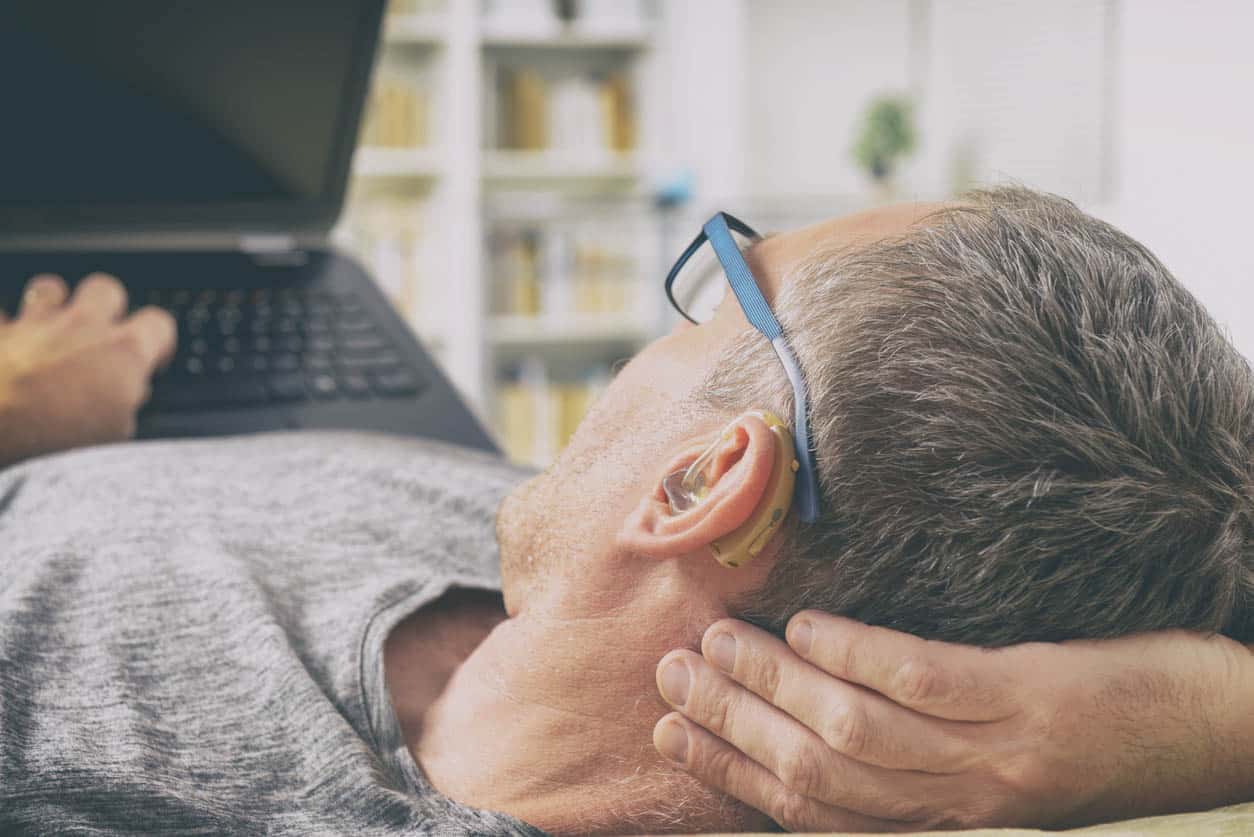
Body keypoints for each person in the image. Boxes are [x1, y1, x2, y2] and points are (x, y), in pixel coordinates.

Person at [1, 188, 1253, 835]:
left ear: (704, 486)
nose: (660, 333)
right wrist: (1206, 719)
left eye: (719, 294)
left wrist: (25, 415)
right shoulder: (570, 573)